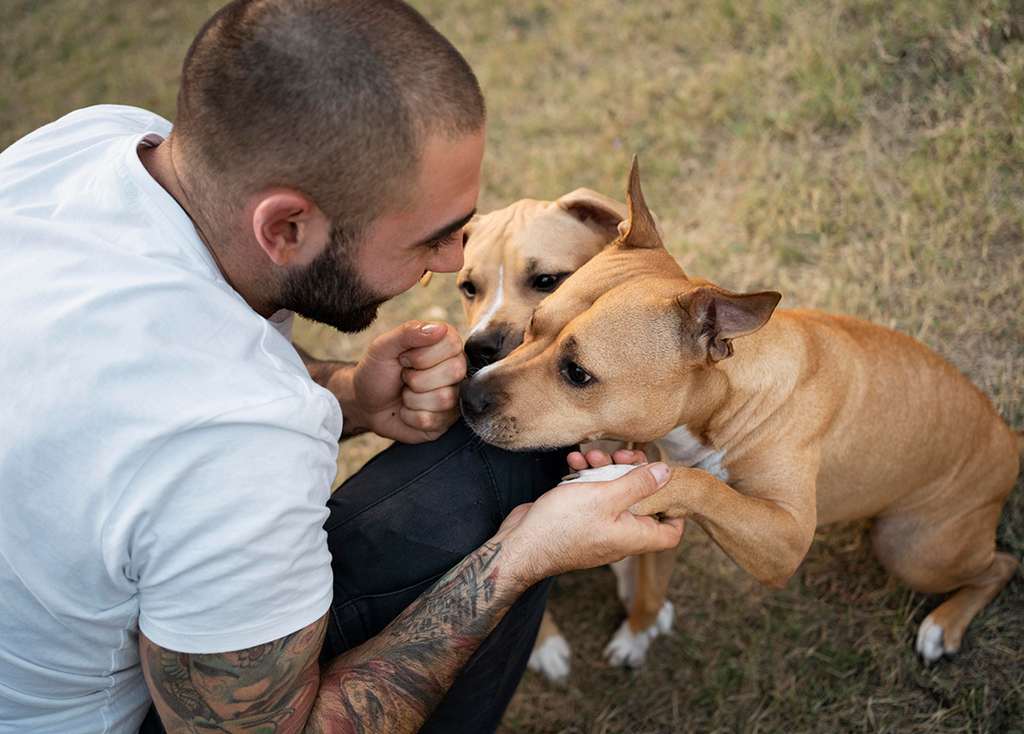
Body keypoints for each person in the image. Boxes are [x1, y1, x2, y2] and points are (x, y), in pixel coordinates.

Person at [0, 0, 685, 732]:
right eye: (434, 239)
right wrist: (520, 557)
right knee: (509, 455)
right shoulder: (235, 441)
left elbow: (154, 344)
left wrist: (348, 394)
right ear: (286, 227)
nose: (455, 260)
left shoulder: (86, 147)